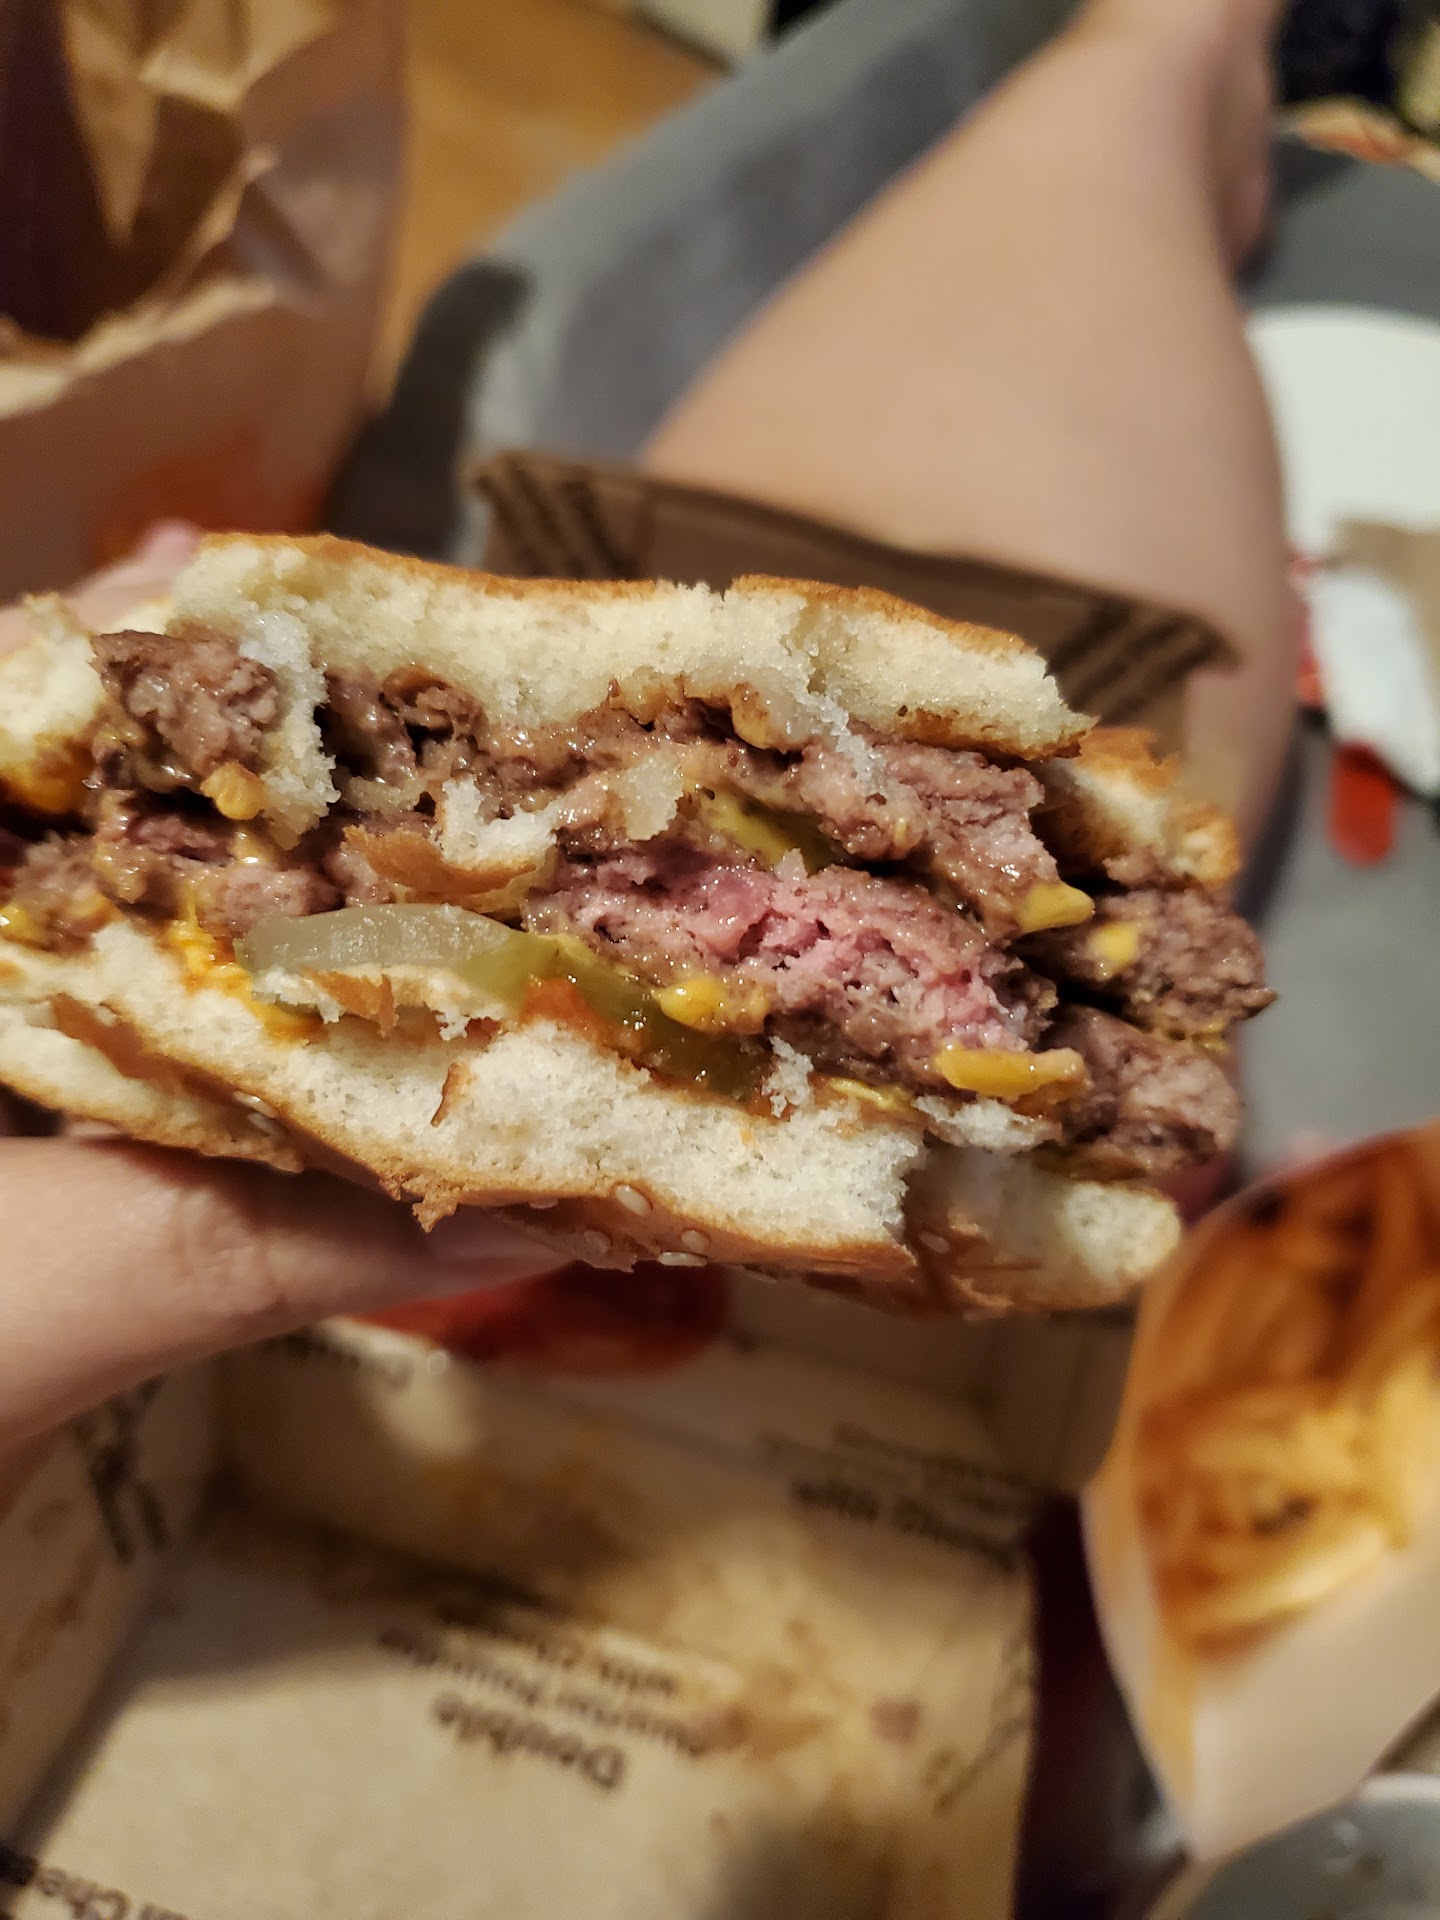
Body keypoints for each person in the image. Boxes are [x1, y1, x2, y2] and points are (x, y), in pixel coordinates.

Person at [0, 0, 1296, 1461]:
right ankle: (1181, 53)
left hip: (736, 598)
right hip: (1087, 633)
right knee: (1116, 126)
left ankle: (1167, 59)